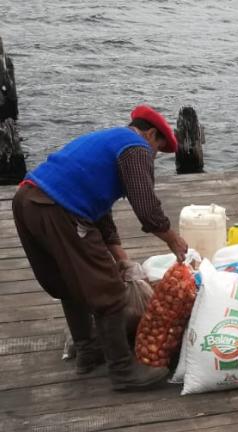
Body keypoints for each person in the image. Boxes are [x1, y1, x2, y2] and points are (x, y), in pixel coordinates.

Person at [12, 104, 188, 391]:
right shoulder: (135, 147)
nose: (154, 156)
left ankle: (88, 351)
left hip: (26, 201)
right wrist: (173, 239)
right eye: (158, 148)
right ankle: (123, 370)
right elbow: (146, 208)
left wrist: (121, 256)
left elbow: (98, 209)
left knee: (69, 283)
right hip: (58, 210)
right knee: (109, 290)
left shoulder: (108, 140)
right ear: (151, 134)